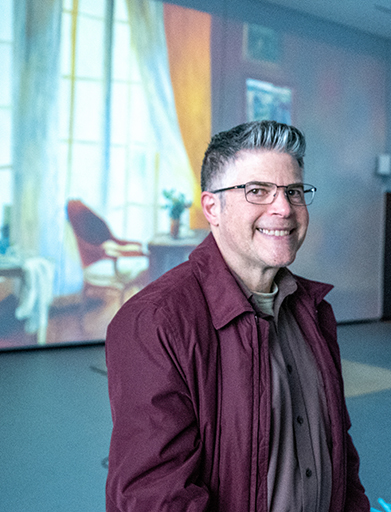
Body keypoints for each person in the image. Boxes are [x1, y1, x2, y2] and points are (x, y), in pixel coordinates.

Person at [105, 121, 370, 512]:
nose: (283, 208)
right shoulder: (155, 322)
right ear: (212, 207)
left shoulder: (314, 310)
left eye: (293, 191)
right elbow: (156, 498)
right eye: (258, 191)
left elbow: (340, 451)